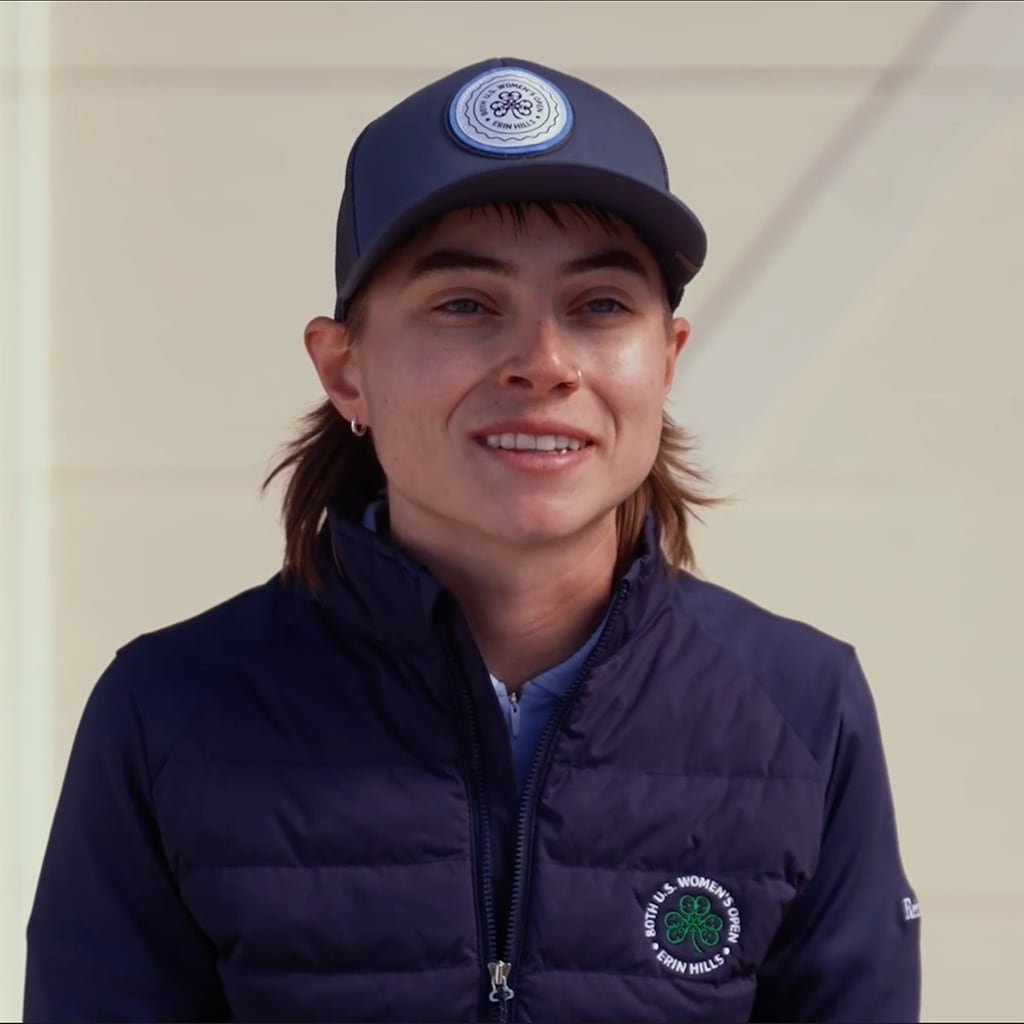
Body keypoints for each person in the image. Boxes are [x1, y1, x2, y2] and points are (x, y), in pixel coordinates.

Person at [23, 57, 921, 1023]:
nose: (542, 363)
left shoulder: (802, 708)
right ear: (345, 369)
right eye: (465, 305)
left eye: (601, 306)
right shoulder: (168, 714)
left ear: (666, 359)